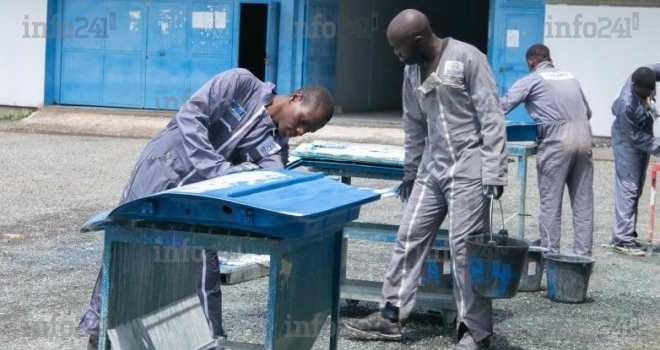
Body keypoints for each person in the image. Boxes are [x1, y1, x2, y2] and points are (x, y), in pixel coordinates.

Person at [79, 68, 335, 348]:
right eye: (302, 120)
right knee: (126, 244)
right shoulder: (241, 84)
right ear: (295, 97)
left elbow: (272, 181)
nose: (299, 131)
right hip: (163, 167)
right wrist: (218, 169)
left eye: (307, 130)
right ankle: (98, 329)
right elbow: (192, 116)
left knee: (205, 262)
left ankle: (213, 339)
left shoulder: (275, 146)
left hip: (199, 197)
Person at [344, 9, 507, 350]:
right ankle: (390, 317)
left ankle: (473, 331)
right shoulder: (412, 72)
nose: (396, 54)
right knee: (408, 236)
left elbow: (491, 116)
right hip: (432, 168)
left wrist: (494, 171)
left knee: (464, 249)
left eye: (399, 47)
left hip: (469, 167)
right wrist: (410, 169)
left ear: (418, 40)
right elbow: (414, 123)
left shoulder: (466, 57)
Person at [500, 44, 594, 256]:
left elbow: (504, 105)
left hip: (557, 142)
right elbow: (588, 112)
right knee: (583, 202)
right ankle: (583, 256)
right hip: (584, 137)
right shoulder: (570, 76)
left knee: (551, 203)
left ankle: (550, 254)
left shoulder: (532, 79)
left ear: (531, 61)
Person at [611, 64, 660, 256]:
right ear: (634, 85)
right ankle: (622, 240)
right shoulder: (625, 105)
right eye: (642, 94)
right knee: (629, 187)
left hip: (644, 132)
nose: (646, 98)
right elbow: (635, 138)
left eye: (649, 93)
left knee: (638, 186)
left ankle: (628, 233)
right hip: (627, 140)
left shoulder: (646, 73)